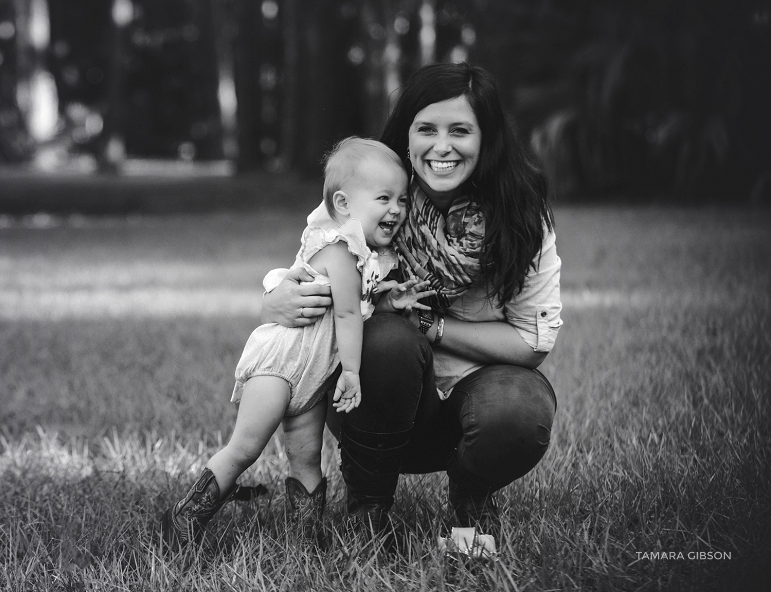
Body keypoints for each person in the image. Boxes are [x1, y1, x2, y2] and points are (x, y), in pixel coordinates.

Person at [262, 62, 562, 552]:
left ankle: (471, 497)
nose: (441, 147)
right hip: (377, 394)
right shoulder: (379, 197)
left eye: (460, 130)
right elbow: (308, 265)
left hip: (477, 393)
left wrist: (428, 324)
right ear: (407, 136)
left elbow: (532, 342)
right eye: (426, 129)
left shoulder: (520, 217)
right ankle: (368, 508)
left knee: (518, 411)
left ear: (487, 139)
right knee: (384, 339)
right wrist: (276, 298)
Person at [161, 137, 434, 550]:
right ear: (343, 205)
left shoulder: (367, 257)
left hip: (313, 374)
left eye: (402, 199)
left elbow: (359, 304)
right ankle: (184, 518)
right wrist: (354, 373)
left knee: (306, 458)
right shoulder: (340, 251)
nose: (396, 209)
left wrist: (387, 300)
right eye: (384, 198)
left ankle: (303, 538)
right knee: (246, 448)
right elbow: (344, 314)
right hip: (283, 364)